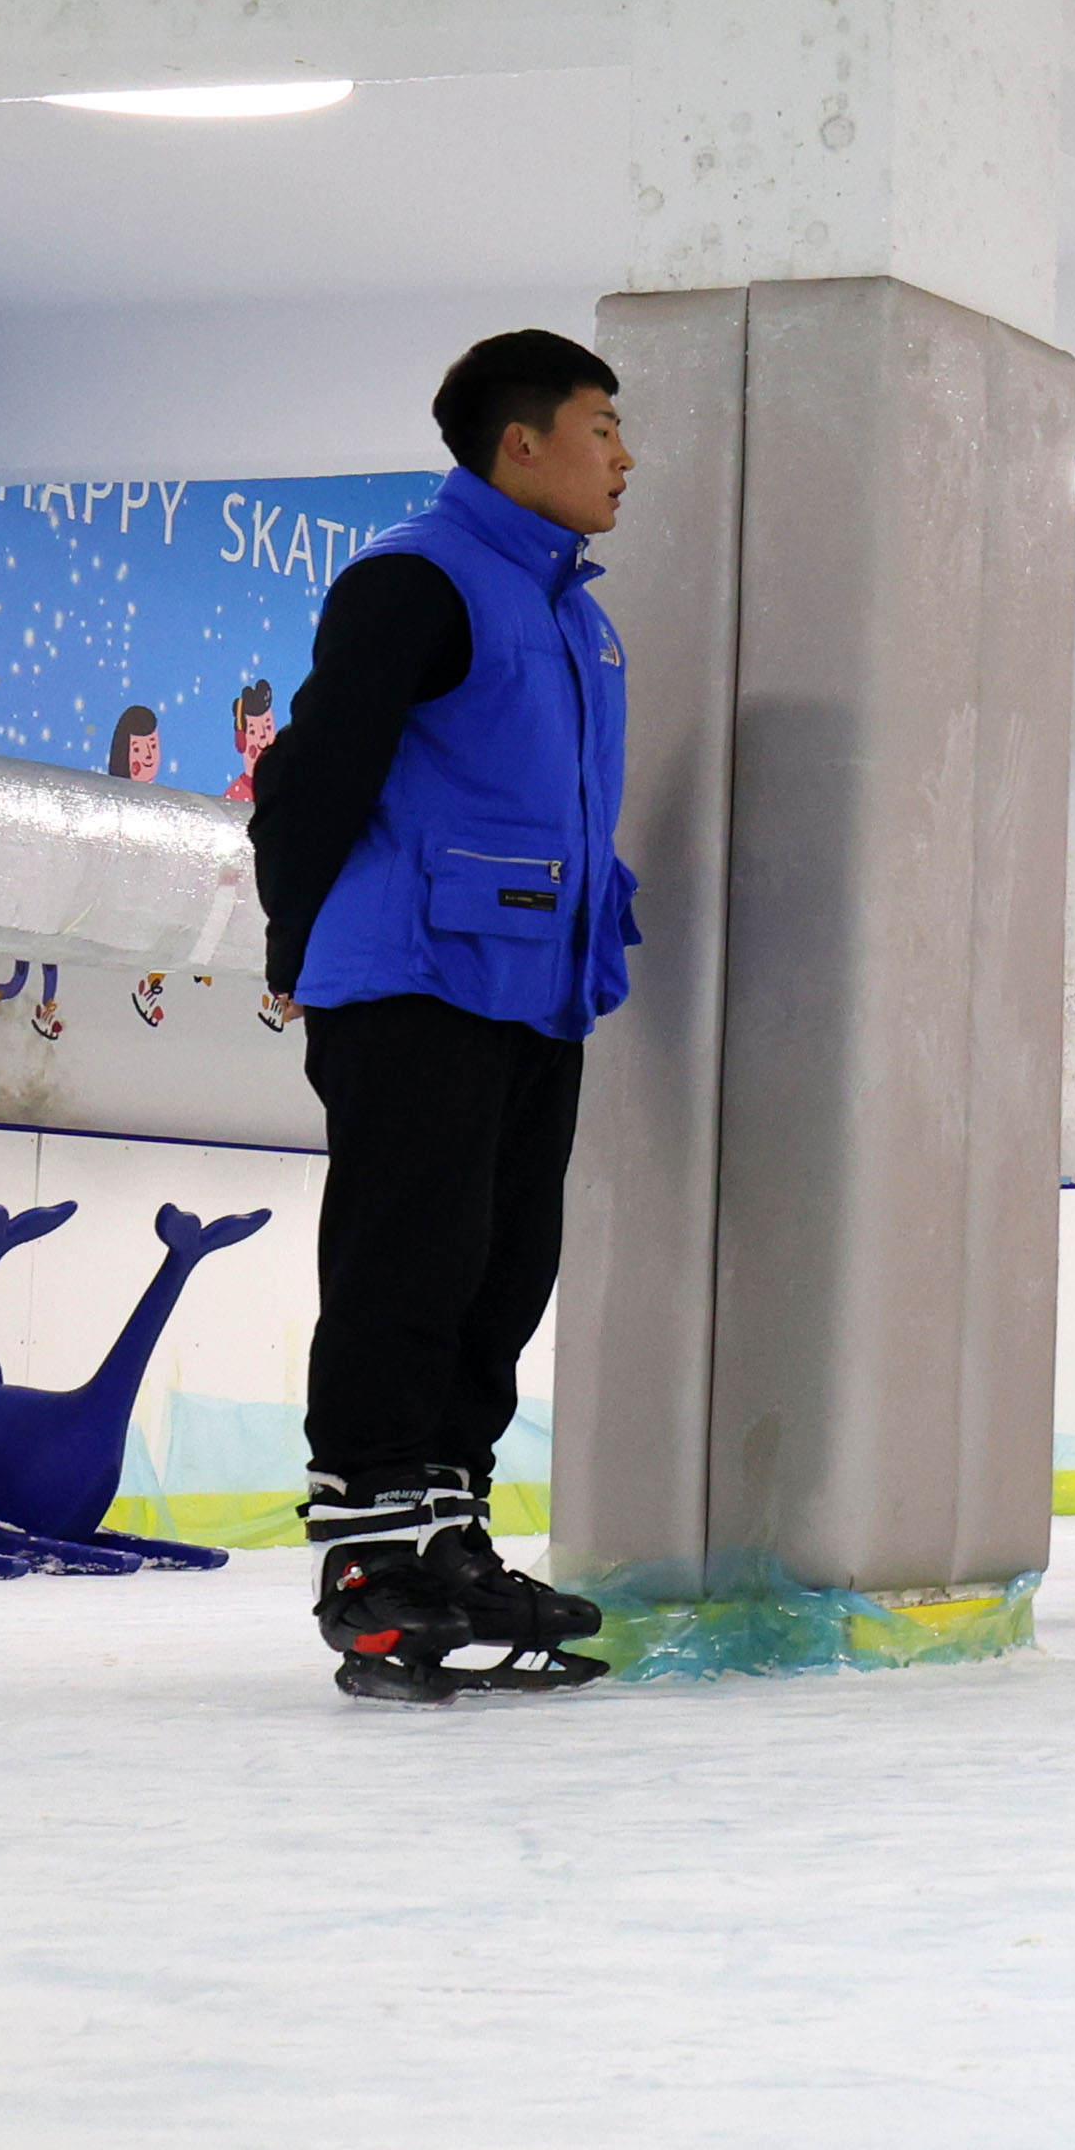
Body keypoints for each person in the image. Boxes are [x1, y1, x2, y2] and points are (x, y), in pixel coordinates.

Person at [255, 328, 642, 1701]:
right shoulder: (418, 577)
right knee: (407, 1264)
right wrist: (293, 935)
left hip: (534, 985)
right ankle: (369, 1560)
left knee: (501, 1269)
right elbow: (315, 770)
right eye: (603, 426)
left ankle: (445, 1535)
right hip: (414, 976)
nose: (625, 455)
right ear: (519, 443)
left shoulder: (571, 610)